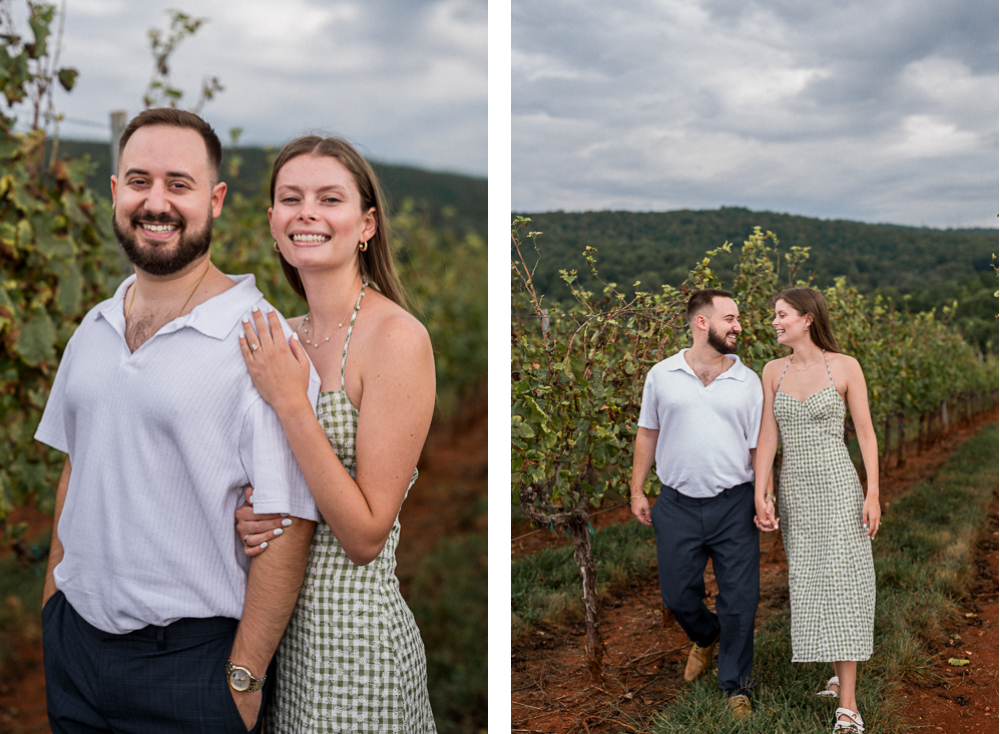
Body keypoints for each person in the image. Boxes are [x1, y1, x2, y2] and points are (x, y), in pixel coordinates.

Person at [34, 108, 321, 733]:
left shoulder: (259, 341)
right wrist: (54, 604)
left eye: (179, 184)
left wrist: (242, 680)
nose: (155, 202)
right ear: (115, 192)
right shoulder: (95, 326)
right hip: (76, 650)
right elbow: (76, 470)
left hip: (190, 669)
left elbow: (290, 524)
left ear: (214, 200)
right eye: (139, 181)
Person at [231, 135, 437, 732]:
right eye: (290, 198)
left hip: (350, 643)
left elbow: (366, 535)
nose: (308, 213)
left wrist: (293, 404)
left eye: (330, 198)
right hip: (270, 631)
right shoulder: (278, 334)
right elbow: (266, 479)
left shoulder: (395, 339)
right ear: (272, 220)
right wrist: (251, 511)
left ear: (366, 223)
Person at [630, 289, 764, 718]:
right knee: (677, 595)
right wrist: (636, 489)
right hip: (677, 504)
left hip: (734, 504)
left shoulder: (749, 381)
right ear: (702, 322)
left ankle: (735, 687)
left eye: (737, 318)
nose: (738, 326)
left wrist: (763, 495)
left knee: (740, 600)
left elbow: (760, 446)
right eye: (730, 318)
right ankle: (706, 636)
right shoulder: (662, 374)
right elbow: (647, 432)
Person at [753, 287, 879, 734]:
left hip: (840, 487)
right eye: (774, 315)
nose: (774, 321)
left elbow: (864, 433)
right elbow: (768, 436)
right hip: (796, 492)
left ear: (808, 318)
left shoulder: (845, 366)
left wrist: (873, 492)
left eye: (781, 314)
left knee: (845, 579)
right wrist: (761, 491)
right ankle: (836, 671)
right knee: (812, 580)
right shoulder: (772, 371)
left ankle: (848, 706)